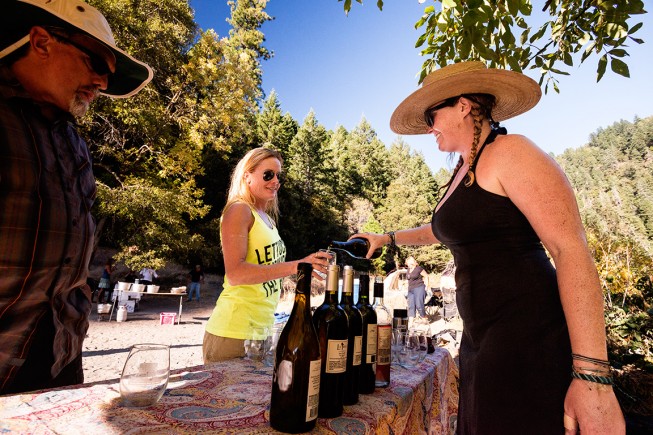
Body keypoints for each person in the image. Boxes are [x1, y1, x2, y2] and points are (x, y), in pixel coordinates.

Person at [352, 62, 624, 434]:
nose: (429, 127)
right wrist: (388, 238)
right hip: (481, 339)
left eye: (433, 115)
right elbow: (441, 229)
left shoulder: (512, 151)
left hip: (528, 337)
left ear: (463, 106)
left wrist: (593, 376)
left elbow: (569, 249)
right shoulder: (465, 169)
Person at [0, 0, 153, 395]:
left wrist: (77, 314)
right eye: (96, 64)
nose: (102, 83)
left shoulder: (72, 141)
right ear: (41, 41)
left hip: (59, 356)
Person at [203, 147, 331, 362]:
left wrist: (306, 271)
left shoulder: (268, 219)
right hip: (233, 332)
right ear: (247, 176)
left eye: (278, 176)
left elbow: (267, 271)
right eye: (268, 174)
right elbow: (236, 274)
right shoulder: (239, 210)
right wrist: (298, 265)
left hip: (261, 332)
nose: (275, 181)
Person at [405, 256, 429, 326]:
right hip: (410, 290)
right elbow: (409, 280)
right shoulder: (408, 270)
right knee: (411, 306)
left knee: (419, 304)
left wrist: (427, 286)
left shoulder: (419, 268)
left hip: (419, 287)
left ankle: (424, 318)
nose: (409, 263)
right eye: (408, 262)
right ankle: (411, 323)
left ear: (413, 262)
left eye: (411, 261)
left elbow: (426, 276)